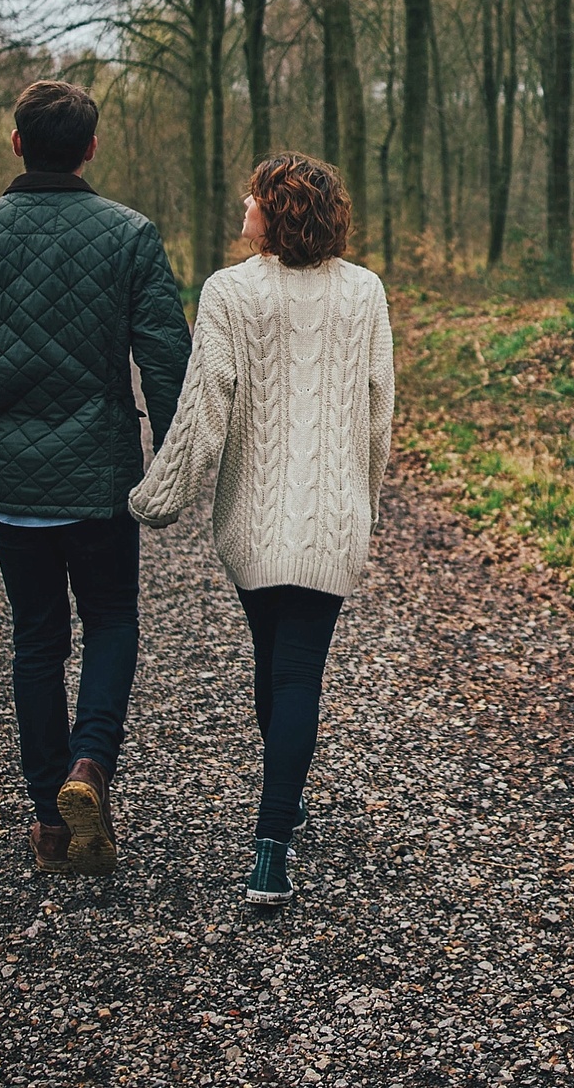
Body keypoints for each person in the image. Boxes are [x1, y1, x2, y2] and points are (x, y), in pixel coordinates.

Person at [0, 78, 191, 880]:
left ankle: (47, 821)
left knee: (36, 640)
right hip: (100, 481)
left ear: (16, 143)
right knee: (110, 620)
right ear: (91, 149)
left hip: (13, 488)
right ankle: (90, 767)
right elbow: (167, 360)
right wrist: (172, 461)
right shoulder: (130, 236)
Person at [128, 152, 394, 914]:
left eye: (255, 193)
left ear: (275, 212)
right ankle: (280, 824)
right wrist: (361, 503)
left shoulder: (228, 292)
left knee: (279, 667)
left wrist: (158, 497)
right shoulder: (364, 292)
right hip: (330, 518)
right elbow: (380, 415)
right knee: (292, 670)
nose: (243, 201)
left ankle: (273, 837)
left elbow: (205, 408)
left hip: (254, 518)